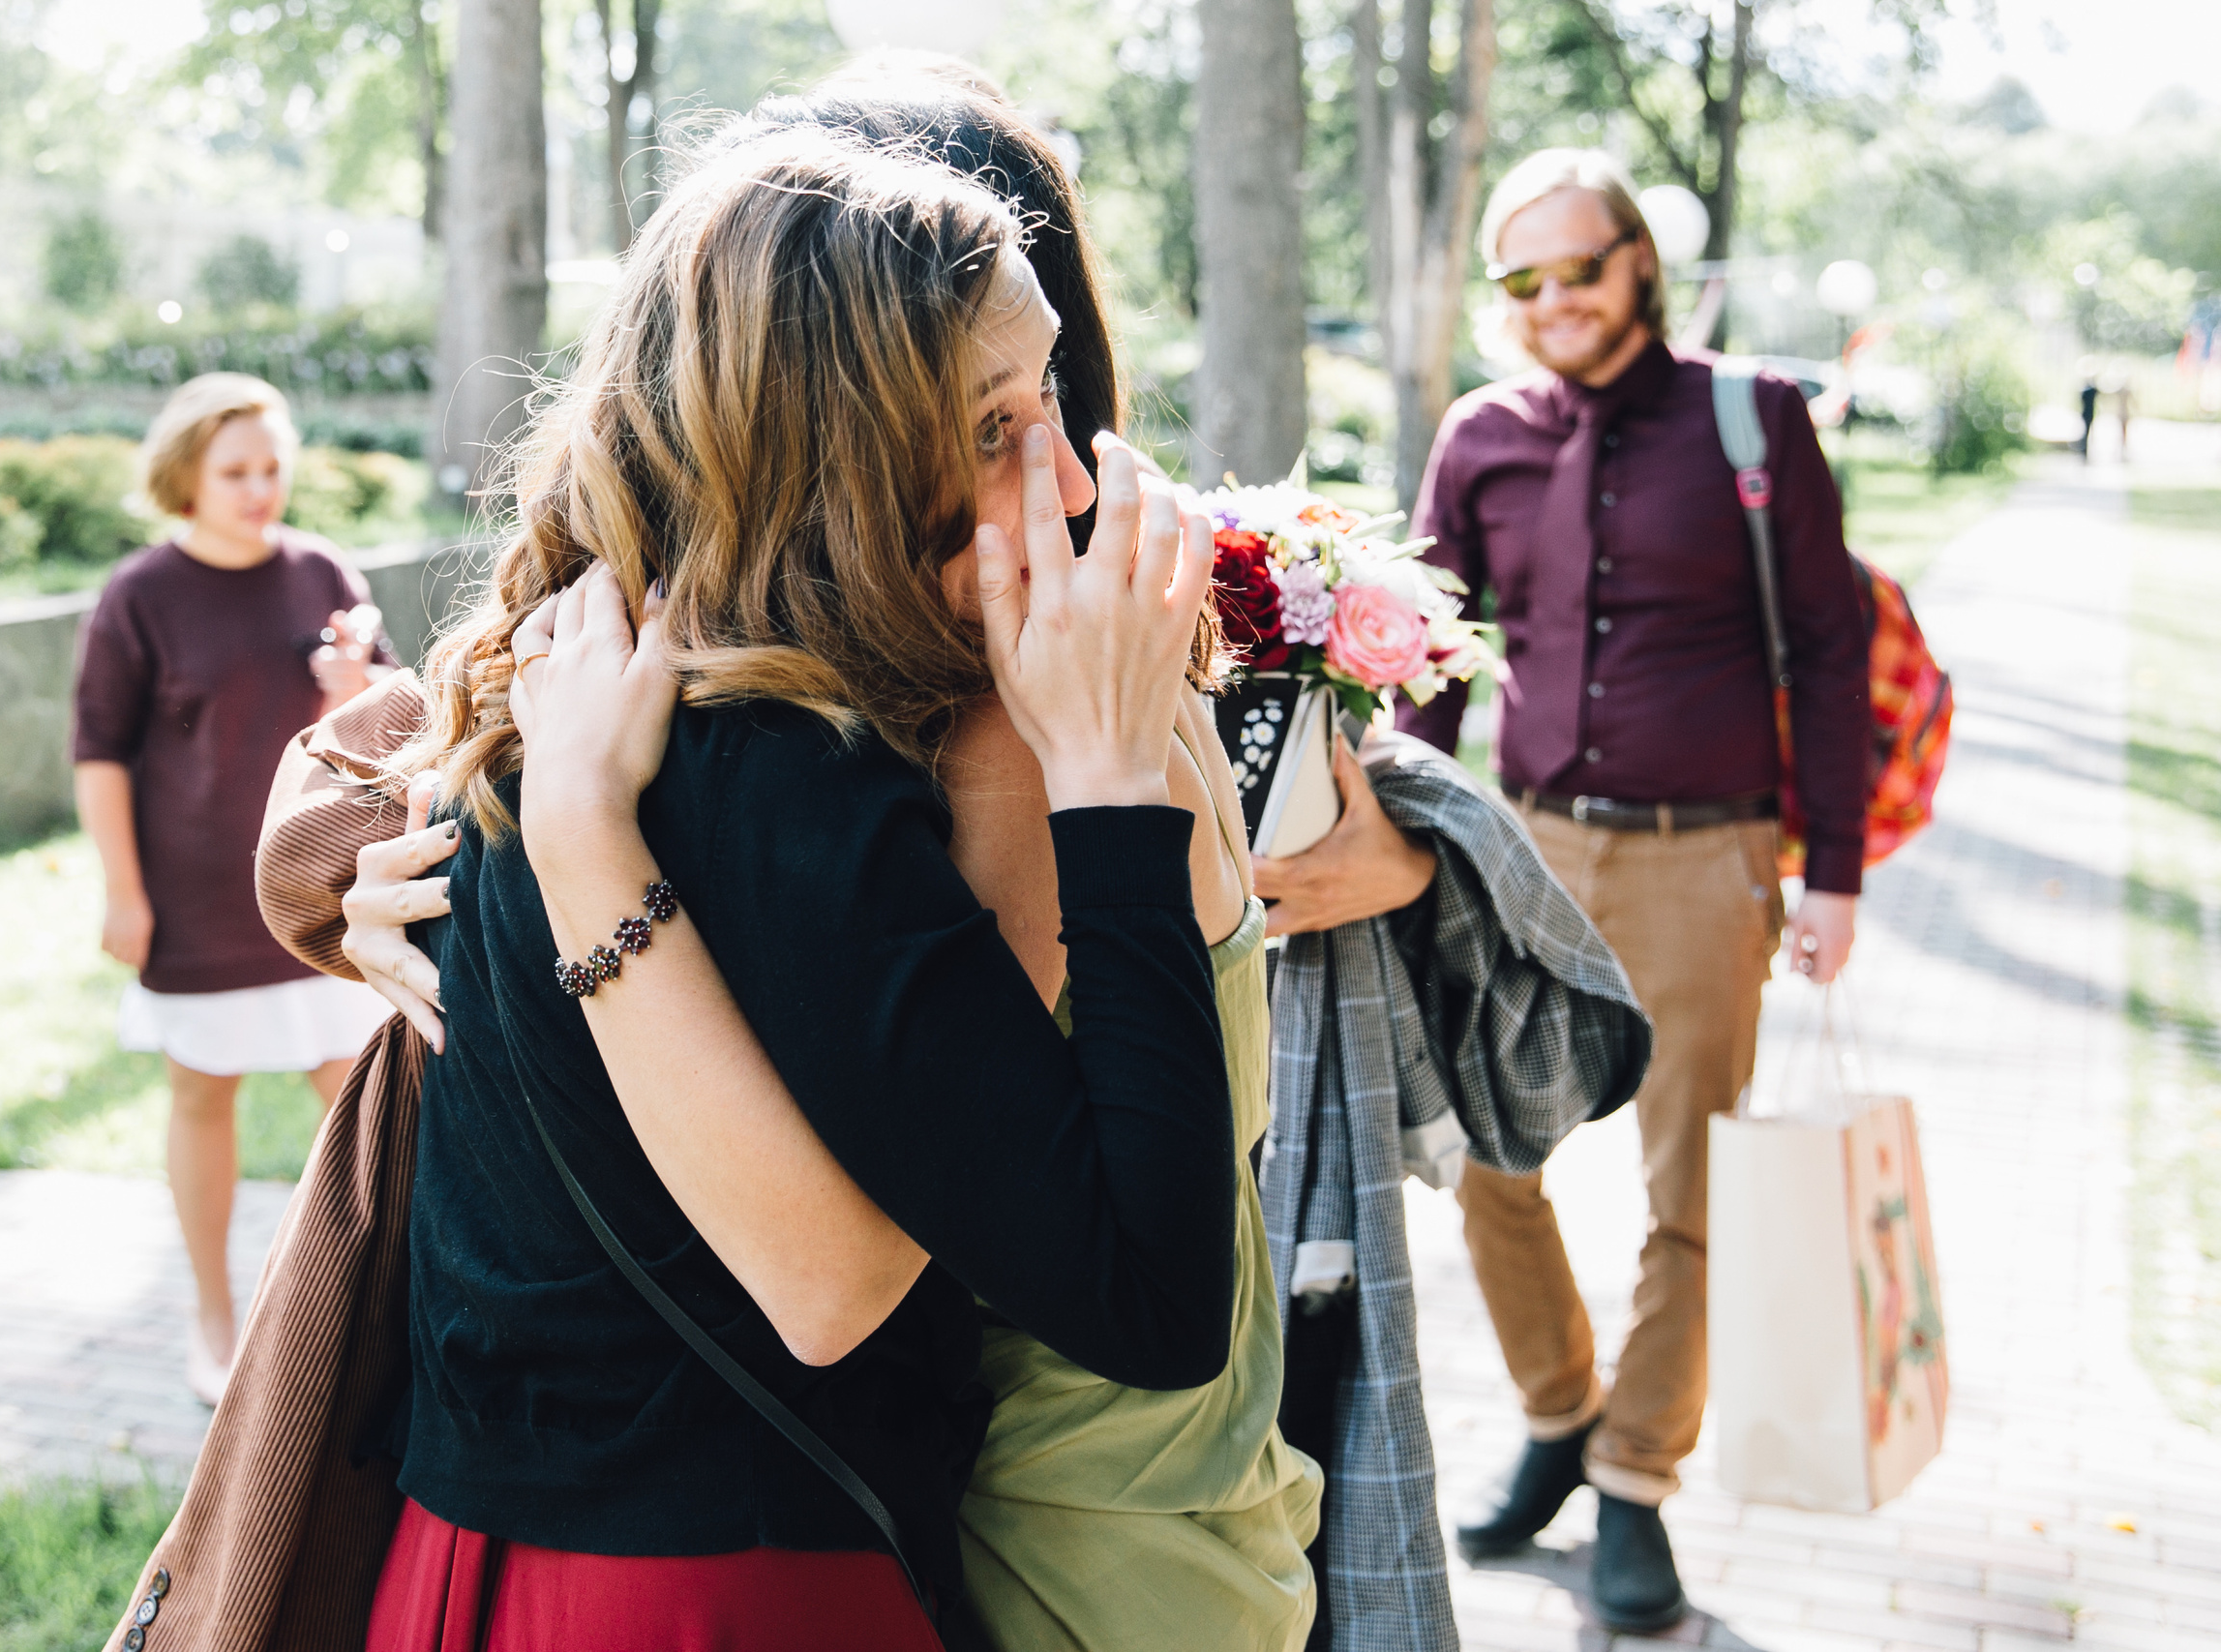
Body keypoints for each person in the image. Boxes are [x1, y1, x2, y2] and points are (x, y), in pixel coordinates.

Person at [365, 128, 1264, 1650]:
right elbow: (1148, 1298)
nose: (1059, 470)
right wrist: (1107, 778)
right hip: (718, 1582)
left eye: (1049, 393)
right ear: (833, 448)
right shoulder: (786, 767)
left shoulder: (560, 672)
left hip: (467, 1558)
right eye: (993, 426)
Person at [1380, 149, 1871, 1633]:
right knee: (1485, 1154)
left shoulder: (1752, 421)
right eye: (1521, 281)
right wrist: (1405, 846)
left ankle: (1640, 1476)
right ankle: (1557, 1410)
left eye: (1578, 269)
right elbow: (1425, 661)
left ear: (1640, 263)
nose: (1552, 303)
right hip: (1525, 847)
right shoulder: (1480, 437)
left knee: (1693, 1183)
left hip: (1704, 855)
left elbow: (1831, 651)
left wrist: (1830, 872)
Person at [71, 373, 396, 1407]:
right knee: (200, 1097)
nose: (261, 489)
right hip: (194, 903)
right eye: (236, 471)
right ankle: (214, 1319)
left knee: (357, 1108)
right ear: (187, 477)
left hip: (318, 899)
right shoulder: (139, 595)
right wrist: (124, 893)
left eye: (273, 467)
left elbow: (391, 720)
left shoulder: (322, 571)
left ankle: (357, 1319)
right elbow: (99, 755)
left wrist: (359, 689)